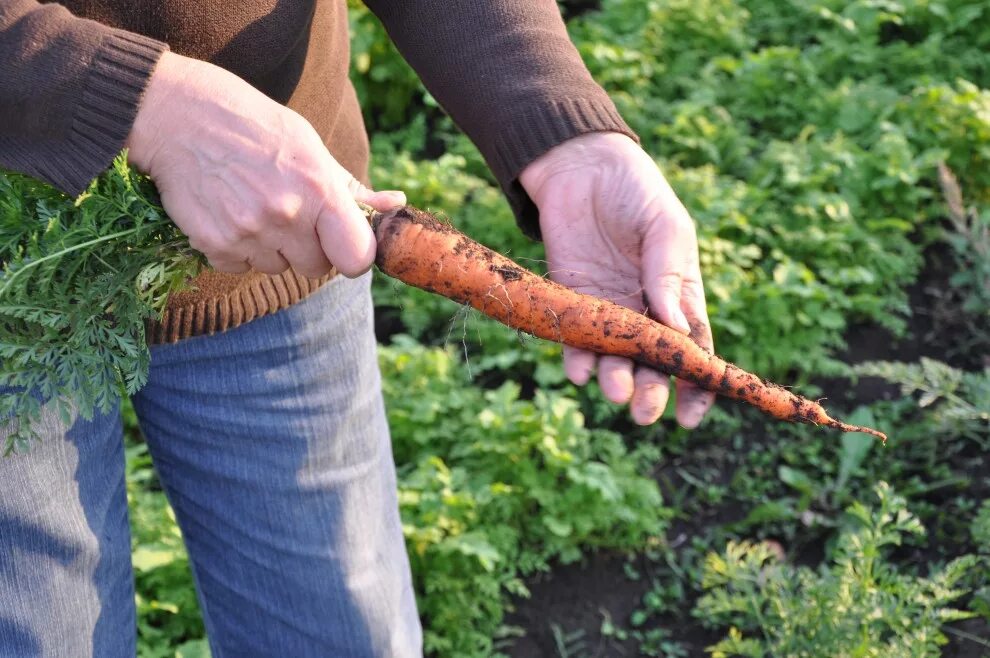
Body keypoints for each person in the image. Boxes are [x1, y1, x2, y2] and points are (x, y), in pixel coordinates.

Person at [0, 1, 716, 656]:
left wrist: (565, 132)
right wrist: (139, 102)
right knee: (45, 635)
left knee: (342, 632)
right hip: (14, 276)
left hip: (290, 219)